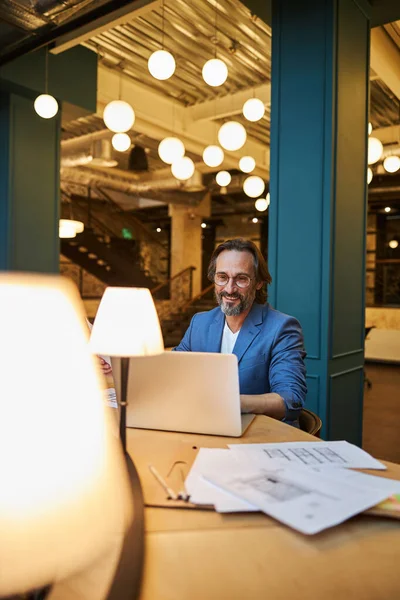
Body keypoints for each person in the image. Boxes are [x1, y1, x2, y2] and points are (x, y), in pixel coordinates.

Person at [174, 238, 307, 426]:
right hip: (204, 427)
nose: (229, 289)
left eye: (241, 279)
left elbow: (291, 399)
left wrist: (231, 403)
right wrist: (127, 366)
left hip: (259, 437)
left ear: (259, 282)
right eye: (222, 277)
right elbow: (174, 369)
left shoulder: (282, 328)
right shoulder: (200, 322)